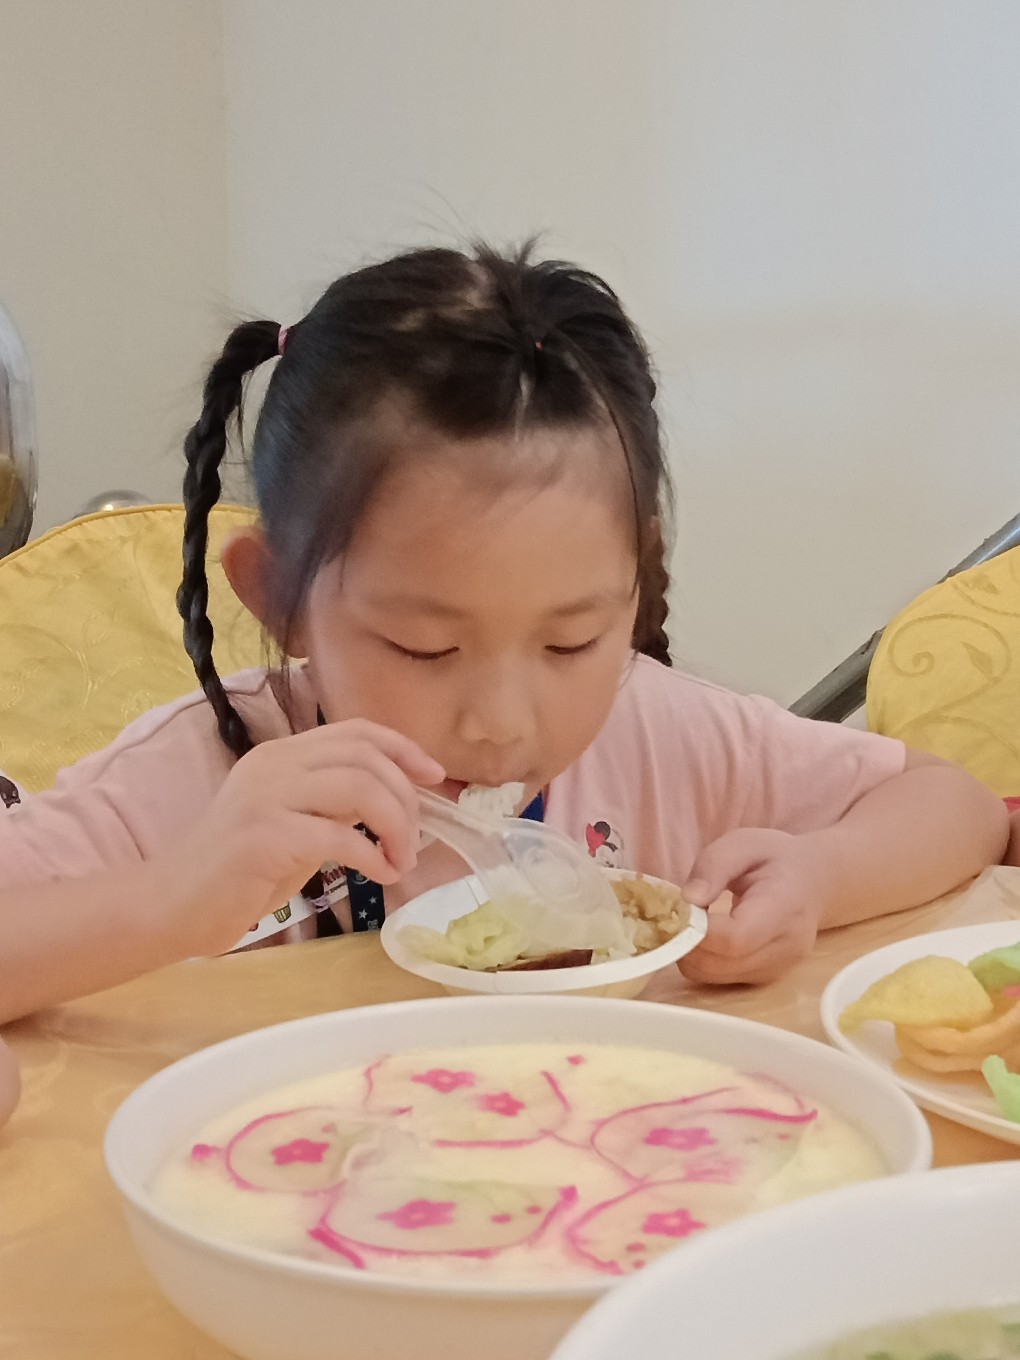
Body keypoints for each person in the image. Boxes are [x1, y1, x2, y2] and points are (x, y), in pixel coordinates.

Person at [0, 244, 1006, 1022]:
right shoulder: (204, 781)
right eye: (425, 648)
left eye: (572, 643)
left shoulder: (659, 734)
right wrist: (174, 899)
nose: (502, 722)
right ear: (279, 597)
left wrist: (821, 877)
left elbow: (953, 805)